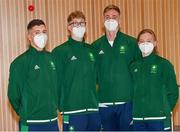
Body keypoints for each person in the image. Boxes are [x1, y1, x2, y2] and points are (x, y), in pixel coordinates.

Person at [92, 4, 141, 131]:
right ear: (103, 21)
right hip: (104, 104)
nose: (111, 19)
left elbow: (140, 73)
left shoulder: (131, 43)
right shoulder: (95, 46)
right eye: (107, 17)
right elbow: (93, 76)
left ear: (120, 20)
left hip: (127, 103)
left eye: (114, 17)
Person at [52, 11, 101, 131]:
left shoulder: (92, 50)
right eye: (75, 23)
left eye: (82, 23)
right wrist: (60, 106)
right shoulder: (60, 51)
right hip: (72, 110)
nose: (79, 26)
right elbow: (54, 82)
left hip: (93, 110)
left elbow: (98, 78)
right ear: (69, 27)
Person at [8, 19, 59, 131]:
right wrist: (25, 112)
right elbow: (13, 95)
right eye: (37, 32)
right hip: (30, 123)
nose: (42, 35)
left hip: (52, 121)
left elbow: (57, 87)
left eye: (44, 32)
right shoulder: (20, 62)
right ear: (29, 37)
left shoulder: (52, 58)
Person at [130, 29, 179, 131]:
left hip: (158, 119)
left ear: (155, 43)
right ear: (138, 44)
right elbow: (130, 91)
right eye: (142, 41)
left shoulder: (164, 65)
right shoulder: (133, 66)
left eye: (149, 41)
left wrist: (165, 109)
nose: (145, 44)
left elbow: (173, 92)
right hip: (138, 118)